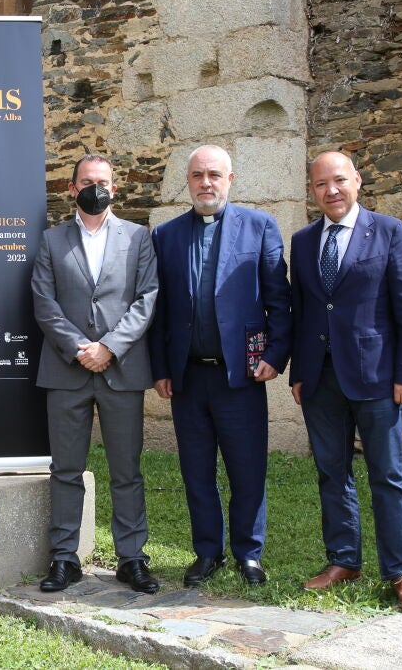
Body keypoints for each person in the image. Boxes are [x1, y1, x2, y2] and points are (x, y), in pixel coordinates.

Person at [289, 151, 402, 610]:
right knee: (332, 473)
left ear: (357, 181)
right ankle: (343, 561)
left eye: (339, 181)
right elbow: (302, 311)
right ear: (312, 191)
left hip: (378, 379)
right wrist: (299, 372)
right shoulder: (303, 241)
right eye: (320, 184)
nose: (331, 190)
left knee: (388, 476)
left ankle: (401, 573)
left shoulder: (390, 232)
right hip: (320, 379)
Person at [147, 145, 291, 587]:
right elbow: (159, 310)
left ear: (230, 179)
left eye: (214, 174)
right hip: (188, 377)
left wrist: (274, 356)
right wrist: (160, 367)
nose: (205, 183)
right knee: (196, 471)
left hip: (239, 377)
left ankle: (249, 553)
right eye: (197, 175)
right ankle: (208, 551)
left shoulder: (260, 227)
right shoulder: (166, 236)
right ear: (188, 182)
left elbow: (279, 299)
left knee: (247, 469)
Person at [31, 154, 160, 594]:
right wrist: (79, 349)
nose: (95, 189)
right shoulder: (51, 241)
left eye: (102, 182)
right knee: (66, 469)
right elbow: (44, 303)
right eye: (86, 182)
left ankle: (132, 558)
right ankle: (64, 558)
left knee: (127, 469)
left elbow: (146, 298)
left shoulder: (138, 238)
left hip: (121, 369)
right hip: (66, 371)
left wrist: (109, 347)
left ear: (114, 189)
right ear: (72, 189)